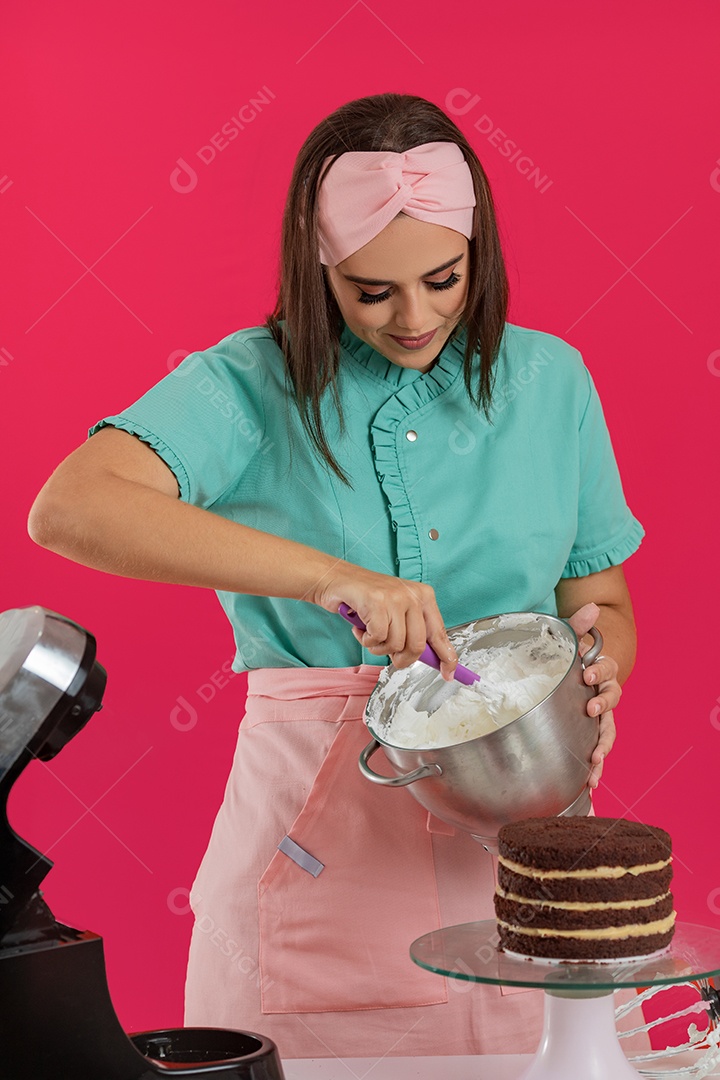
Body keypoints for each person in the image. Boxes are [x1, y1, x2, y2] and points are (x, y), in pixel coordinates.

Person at [27, 93, 646, 1060]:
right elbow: (71, 507)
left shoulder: (553, 382)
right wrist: (328, 578)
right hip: (320, 850)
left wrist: (598, 668)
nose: (416, 316)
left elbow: (597, 599)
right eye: (372, 292)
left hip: (529, 842)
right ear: (319, 269)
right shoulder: (245, 386)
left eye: (444, 279)